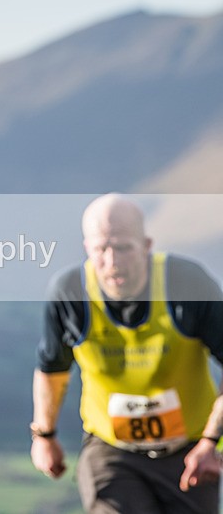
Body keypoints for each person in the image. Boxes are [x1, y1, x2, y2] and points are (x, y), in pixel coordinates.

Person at [31, 193, 223, 513]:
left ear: (147, 245)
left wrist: (209, 442)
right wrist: (44, 435)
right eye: (101, 249)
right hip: (111, 449)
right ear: (87, 249)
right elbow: (52, 367)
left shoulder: (188, 284)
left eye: (123, 247)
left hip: (190, 451)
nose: (112, 261)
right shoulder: (70, 293)